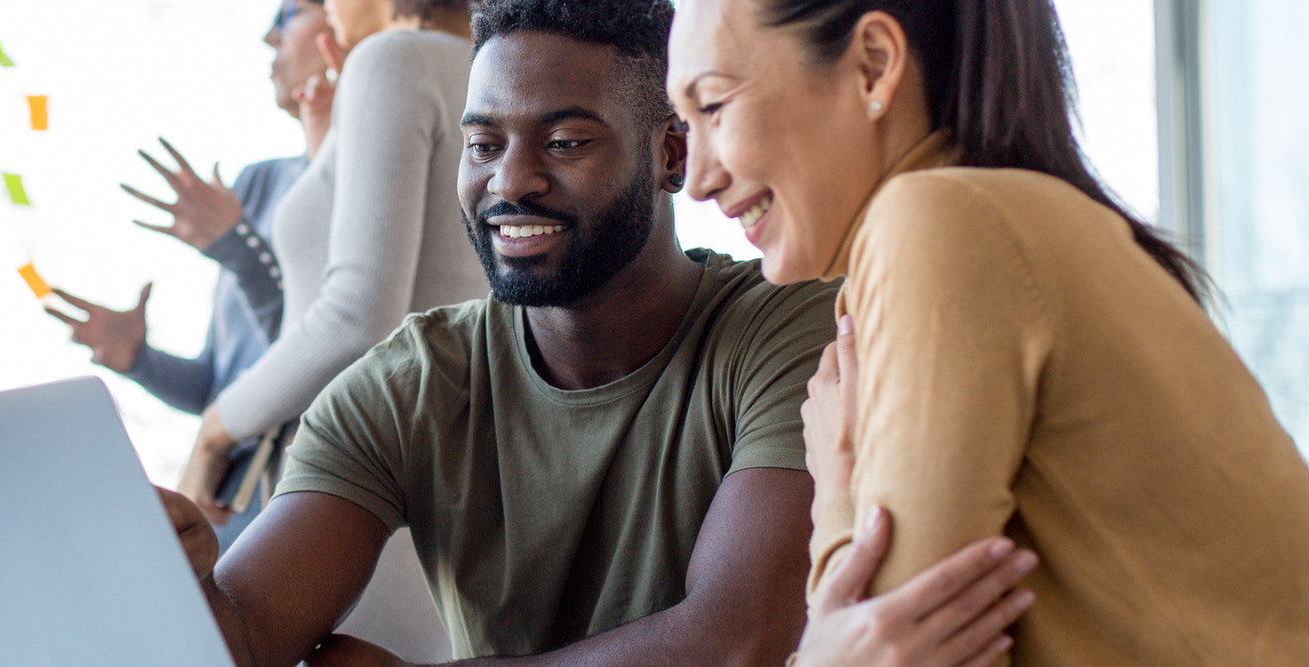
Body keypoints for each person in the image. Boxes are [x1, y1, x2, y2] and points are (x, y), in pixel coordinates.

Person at [152, 2, 1023, 664]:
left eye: (565, 142)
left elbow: (731, 639)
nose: (511, 182)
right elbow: (249, 630)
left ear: (671, 155)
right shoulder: (411, 380)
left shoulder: (788, 328)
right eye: (483, 143)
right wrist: (174, 574)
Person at [669, 0, 1309, 663]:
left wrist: (836, 495)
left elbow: (896, 649)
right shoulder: (999, 221)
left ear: (873, 66)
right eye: (683, 123)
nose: (695, 179)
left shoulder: (937, 221)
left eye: (715, 106)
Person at [174, 0, 489, 523]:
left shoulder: (393, 58)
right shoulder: (497, 69)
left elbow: (356, 316)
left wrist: (213, 430)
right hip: (437, 475)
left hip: (353, 486)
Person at [51, 0, 337, 544]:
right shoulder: (255, 184)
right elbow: (220, 383)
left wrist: (237, 248)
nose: (268, 38)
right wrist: (140, 361)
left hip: (296, 496)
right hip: (225, 502)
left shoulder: (357, 191)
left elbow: (327, 345)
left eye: (288, 14)